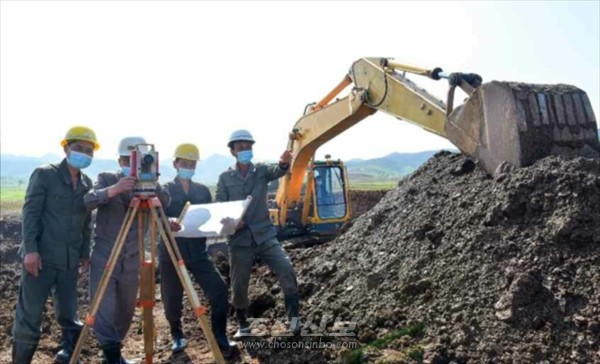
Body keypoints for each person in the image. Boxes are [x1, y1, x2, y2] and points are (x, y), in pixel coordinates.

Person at [12, 126, 98, 364]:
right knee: (30, 316)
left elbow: (85, 224)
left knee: (69, 314)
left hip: (68, 262)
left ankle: (69, 356)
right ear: (66, 147)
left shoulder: (86, 183)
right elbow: (30, 213)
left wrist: (83, 254)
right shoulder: (45, 174)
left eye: (88, 150)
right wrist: (30, 250)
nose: (84, 153)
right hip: (40, 259)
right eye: (79, 148)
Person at [83, 136, 170, 364]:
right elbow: (88, 201)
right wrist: (114, 189)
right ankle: (111, 357)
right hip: (106, 254)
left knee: (125, 309)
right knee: (105, 306)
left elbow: (165, 202)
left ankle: (115, 353)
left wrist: (152, 182)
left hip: (132, 257)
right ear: (120, 160)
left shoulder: (149, 181)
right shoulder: (106, 178)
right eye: (125, 160)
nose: (129, 165)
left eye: (134, 161)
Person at [215, 129, 301, 338]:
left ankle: (295, 322)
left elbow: (278, 171)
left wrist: (283, 162)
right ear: (233, 151)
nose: (246, 150)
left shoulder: (261, 170)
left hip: (264, 234)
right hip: (239, 239)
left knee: (286, 269)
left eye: (249, 146)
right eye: (241, 147)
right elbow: (220, 205)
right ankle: (243, 325)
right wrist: (232, 220)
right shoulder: (225, 178)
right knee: (239, 282)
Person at [159, 143, 237, 357]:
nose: (188, 166)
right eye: (184, 163)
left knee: (219, 290)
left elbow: (211, 217)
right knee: (172, 299)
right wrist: (169, 221)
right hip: (172, 253)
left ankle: (219, 335)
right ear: (175, 164)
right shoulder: (164, 190)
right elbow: (156, 217)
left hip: (198, 252)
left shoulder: (202, 191)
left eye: (192, 163)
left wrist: (225, 220)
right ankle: (177, 334)